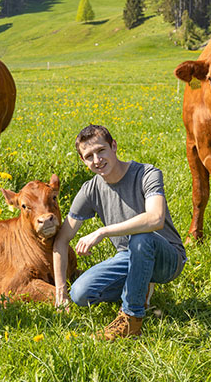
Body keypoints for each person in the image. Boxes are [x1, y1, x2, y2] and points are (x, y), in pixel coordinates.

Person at [52, 124, 186, 340]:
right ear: (83, 161)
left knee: (141, 236)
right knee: (80, 294)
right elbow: (62, 239)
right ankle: (141, 287)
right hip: (127, 257)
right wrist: (61, 292)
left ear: (113, 146)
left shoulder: (147, 173)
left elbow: (155, 218)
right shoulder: (91, 189)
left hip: (165, 256)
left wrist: (103, 231)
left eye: (101, 150)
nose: (96, 160)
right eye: (89, 156)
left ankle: (131, 318)